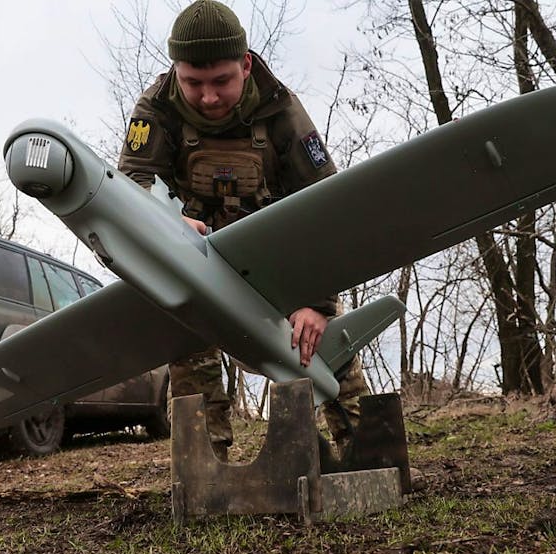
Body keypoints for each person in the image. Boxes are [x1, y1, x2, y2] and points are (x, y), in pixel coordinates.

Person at [117, 0, 370, 462]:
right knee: (189, 354)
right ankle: (204, 472)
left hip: (277, 261)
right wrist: (163, 221)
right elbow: (130, 186)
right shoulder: (155, 110)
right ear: (176, 71)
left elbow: (330, 207)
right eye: (193, 83)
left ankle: (369, 453)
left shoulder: (281, 110)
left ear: (246, 65)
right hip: (197, 263)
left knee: (326, 348)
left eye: (221, 82)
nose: (208, 98)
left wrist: (317, 304)